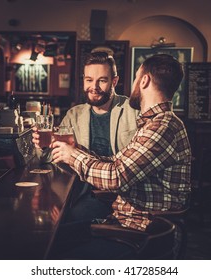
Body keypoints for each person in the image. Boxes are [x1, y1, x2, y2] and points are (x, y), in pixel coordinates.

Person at [50, 54, 192, 259]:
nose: (133, 83)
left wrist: (73, 156)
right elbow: (117, 163)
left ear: (144, 81)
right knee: (59, 235)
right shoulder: (154, 123)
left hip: (141, 233)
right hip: (126, 222)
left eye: (136, 77)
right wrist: (75, 150)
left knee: (56, 252)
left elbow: (116, 176)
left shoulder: (162, 127)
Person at [32, 51, 139, 221]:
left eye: (102, 80)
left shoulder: (132, 110)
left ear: (114, 81)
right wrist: (43, 145)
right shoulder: (74, 115)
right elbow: (50, 157)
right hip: (81, 192)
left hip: (121, 196)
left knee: (68, 222)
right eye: (89, 80)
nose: (94, 87)